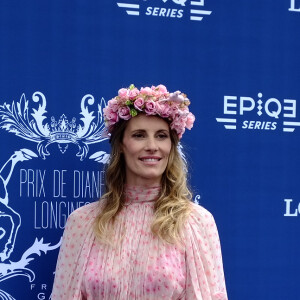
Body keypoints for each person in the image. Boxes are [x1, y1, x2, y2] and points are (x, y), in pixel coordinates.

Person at [51, 84, 227, 300]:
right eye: (139, 135)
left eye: (161, 136)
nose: (152, 146)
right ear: (121, 145)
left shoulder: (196, 222)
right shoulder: (82, 222)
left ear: (171, 146)